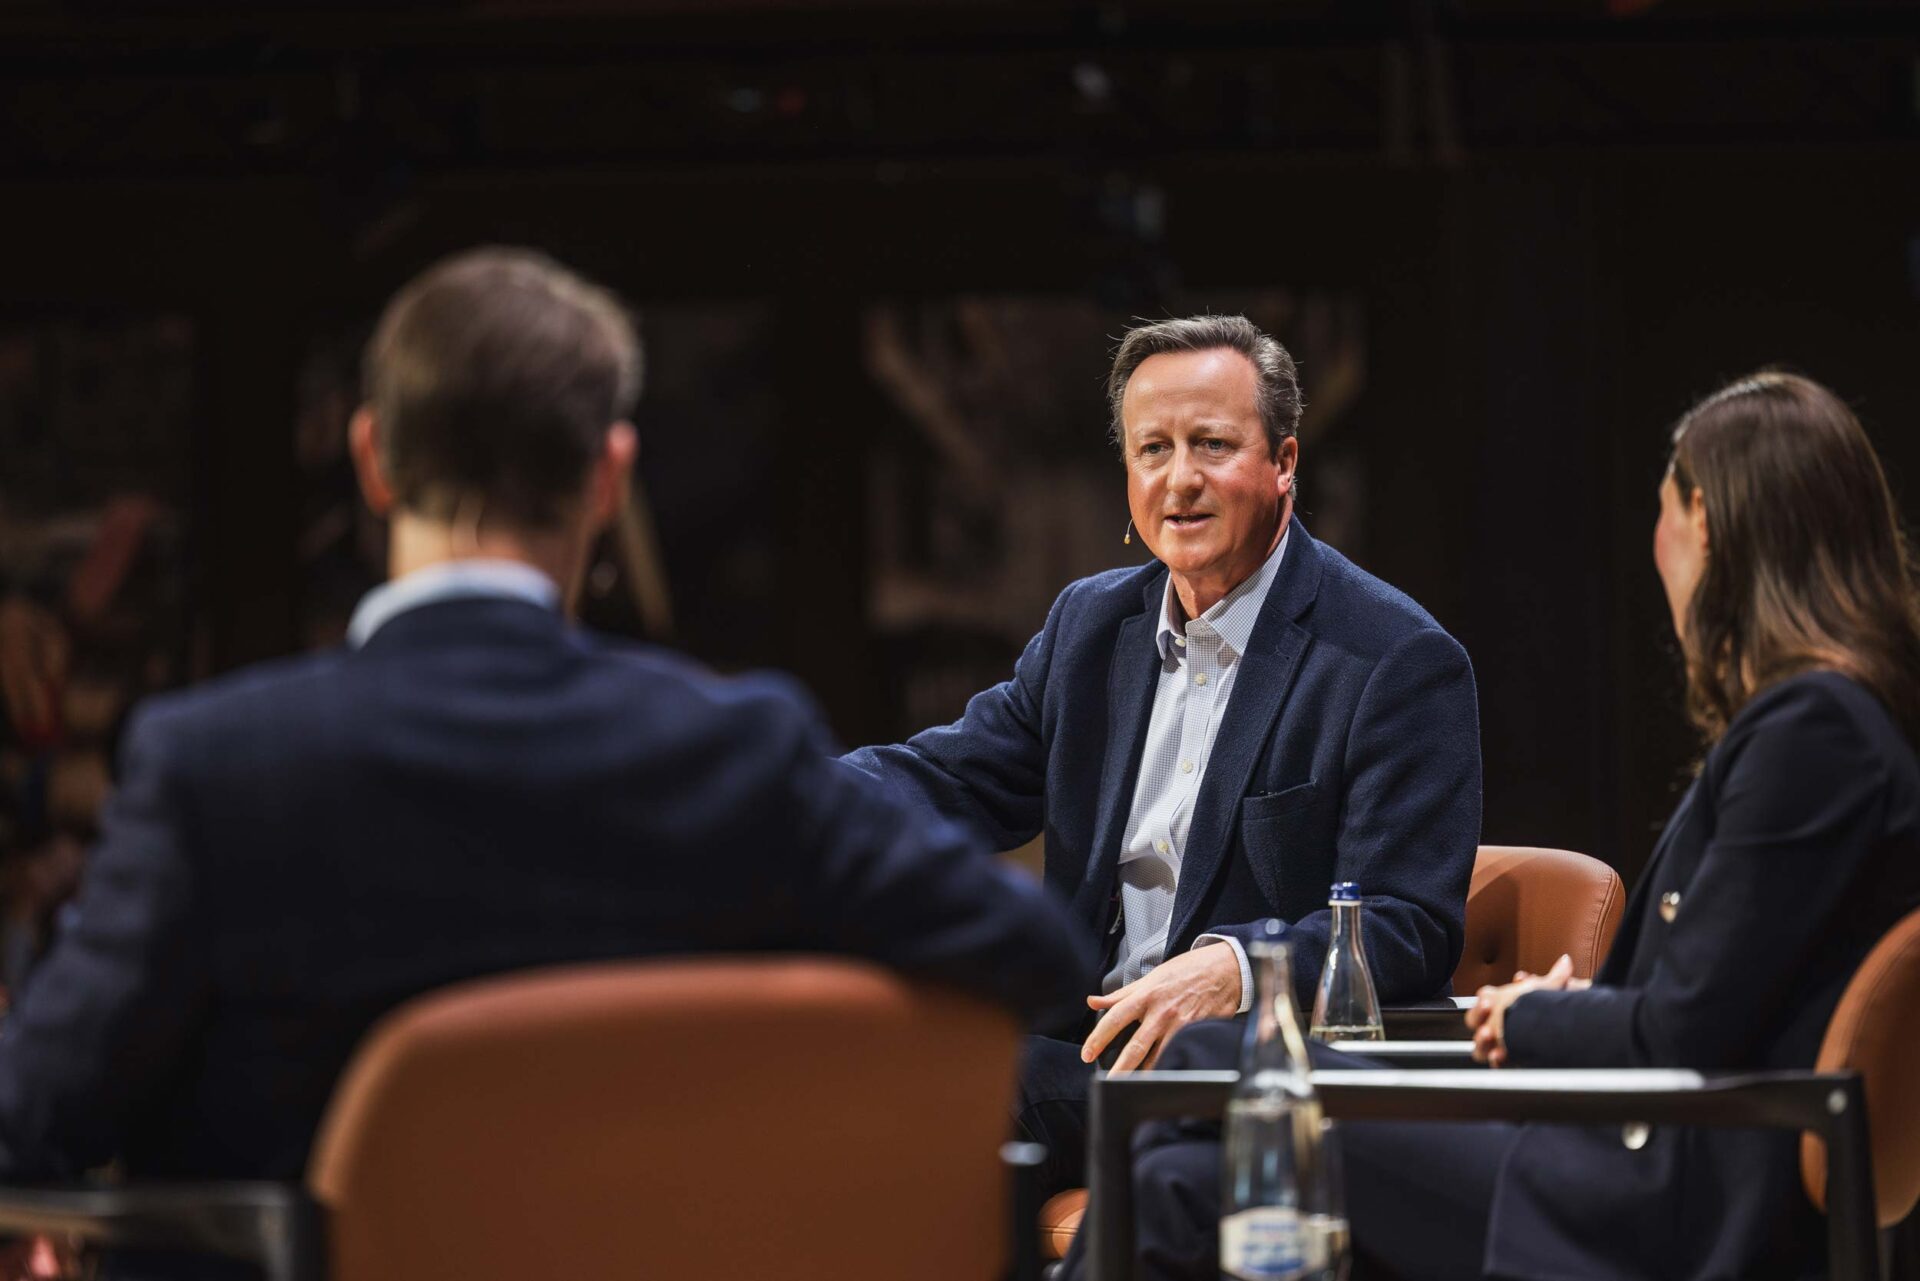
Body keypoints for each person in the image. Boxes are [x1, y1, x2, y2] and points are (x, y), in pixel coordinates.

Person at [0, 248, 1097, 1195]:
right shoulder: (725, 754)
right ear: (610, 476)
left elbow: (37, 1112)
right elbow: (1034, 956)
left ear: (372, 457)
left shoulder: (212, 767)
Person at [1088, 371, 1920, 1281]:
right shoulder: (1829, 727)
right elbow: (1716, 996)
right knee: (1178, 1181)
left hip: (1651, 1200)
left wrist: (1532, 1023)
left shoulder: (1815, 736)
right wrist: (1574, 1011)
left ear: (1711, 525)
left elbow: (1682, 1032)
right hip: (1639, 1161)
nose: (1658, 547)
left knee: (1211, 1054)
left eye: (1664, 512)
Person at [844, 315, 1481, 1197]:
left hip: (1247, 1074)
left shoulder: (1394, 660)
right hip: (1089, 1049)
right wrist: (778, 800)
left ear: (1285, 462)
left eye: (1212, 445)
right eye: (1153, 449)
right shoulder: (1090, 627)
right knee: (859, 1059)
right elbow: (948, 778)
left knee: (962, 1093)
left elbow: (1404, 919)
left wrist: (1239, 965)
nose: (1179, 480)